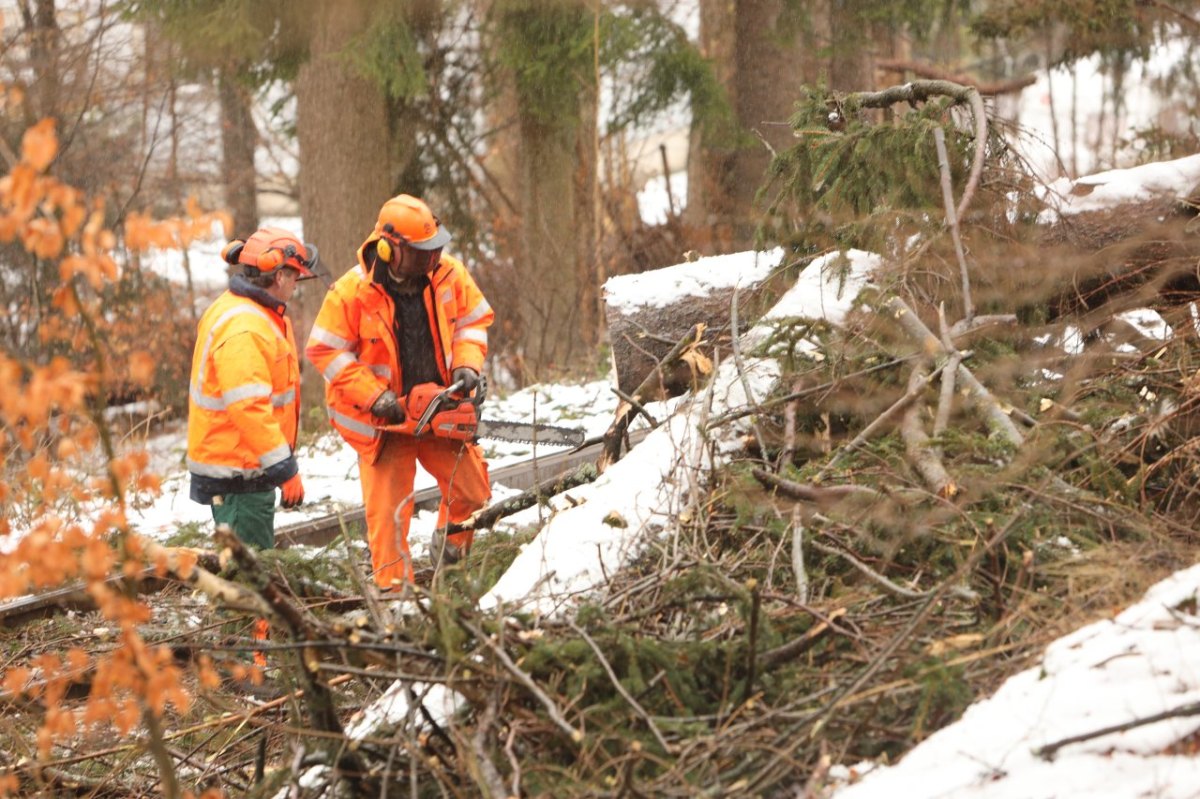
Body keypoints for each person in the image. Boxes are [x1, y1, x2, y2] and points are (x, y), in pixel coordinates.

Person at [306, 194, 493, 590]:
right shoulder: (350, 293)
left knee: (472, 491)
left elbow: (474, 321)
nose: (432, 258)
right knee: (389, 520)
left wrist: (467, 363)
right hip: (386, 425)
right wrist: (375, 396)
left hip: (440, 406)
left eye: (435, 249)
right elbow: (324, 349)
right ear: (391, 249)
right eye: (423, 252)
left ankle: (452, 552)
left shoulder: (449, 275)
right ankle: (395, 602)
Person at [187, 226, 317, 550]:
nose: (296, 284)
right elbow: (250, 409)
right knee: (251, 578)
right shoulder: (245, 328)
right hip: (240, 471)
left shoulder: (257, 312)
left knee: (246, 571)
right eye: (295, 276)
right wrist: (285, 470)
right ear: (280, 276)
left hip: (246, 463)